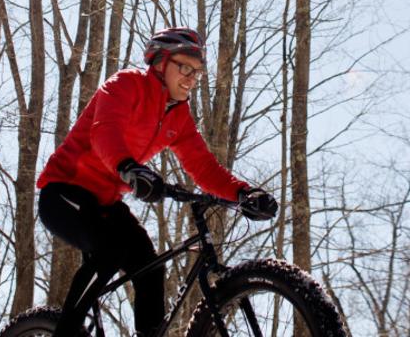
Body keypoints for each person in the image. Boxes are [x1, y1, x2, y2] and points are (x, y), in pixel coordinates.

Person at [36, 27, 278, 337]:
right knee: (112, 250)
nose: (191, 78)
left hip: (105, 203)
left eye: (197, 72)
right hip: (64, 192)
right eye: (184, 67)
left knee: (149, 266)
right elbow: (104, 131)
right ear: (160, 62)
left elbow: (203, 166)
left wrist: (244, 192)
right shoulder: (127, 85)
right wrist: (129, 168)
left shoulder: (179, 116)